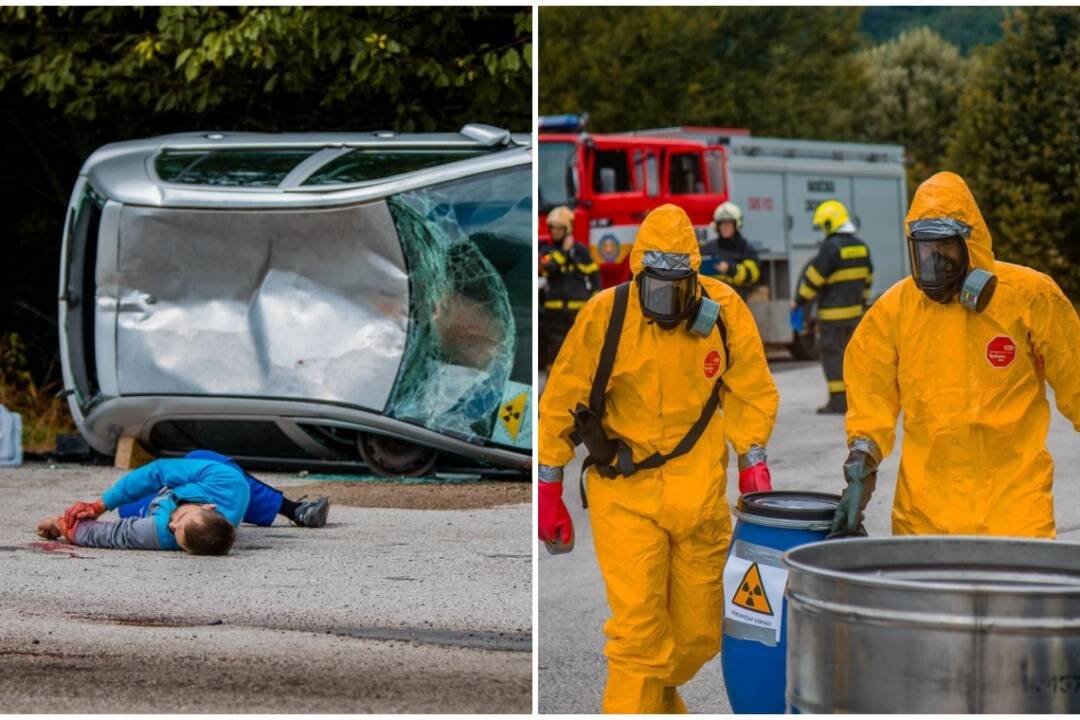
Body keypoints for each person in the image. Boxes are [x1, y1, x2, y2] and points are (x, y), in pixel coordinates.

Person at [538, 204, 779, 713]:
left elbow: (750, 388)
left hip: (701, 497)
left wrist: (752, 457)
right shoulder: (607, 316)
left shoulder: (723, 311)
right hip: (626, 495)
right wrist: (548, 488)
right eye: (658, 288)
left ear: (695, 277)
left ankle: (658, 700)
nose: (669, 302)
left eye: (679, 288)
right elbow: (560, 400)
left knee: (698, 639)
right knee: (639, 638)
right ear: (639, 275)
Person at [831, 171, 1080, 538]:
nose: (934, 262)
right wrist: (861, 465)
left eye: (945, 249)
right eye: (925, 251)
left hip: (1014, 516)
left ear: (971, 246)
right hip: (924, 519)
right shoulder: (894, 312)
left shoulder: (1029, 298)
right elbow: (871, 397)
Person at [36, 450, 330, 554]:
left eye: (176, 530)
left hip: (163, 500)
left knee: (128, 508)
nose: (173, 522)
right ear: (210, 508)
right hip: (214, 483)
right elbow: (158, 470)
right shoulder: (228, 486)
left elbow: (107, 535)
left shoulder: (165, 533)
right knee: (205, 460)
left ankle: (297, 512)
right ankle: (295, 510)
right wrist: (100, 505)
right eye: (181, 522)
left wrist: (63, 525)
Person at [791, 199, 873, 415]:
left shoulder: (830, 248)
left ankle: (838, 402)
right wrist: (861, 304)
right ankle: (855, 399)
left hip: (832, 317)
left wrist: (798, 301)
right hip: (854, 316)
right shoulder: (861, 247)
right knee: (852, 357)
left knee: (832, 355)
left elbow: (813, 279)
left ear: (829, 223)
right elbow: (868, 280)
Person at [540, 205, 598, 370]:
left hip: (578, 310)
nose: (556, 231)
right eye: (553, 228)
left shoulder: (580, 251)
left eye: (560, 228)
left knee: (581, 349)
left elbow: (594, 275)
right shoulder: (545, 250)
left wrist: (595, 298)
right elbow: (550, 267)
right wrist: (565, 250)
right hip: (554, 312)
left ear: (568, 228)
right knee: (556, 350)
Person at [701, 201, 761, 300]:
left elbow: (753, 275)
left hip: (736, 303)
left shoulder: (745, 248)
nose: (725, 227)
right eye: (722, 224)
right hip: (711, 302)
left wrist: (730, 269)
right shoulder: (708, 248)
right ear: (717, 226)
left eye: (728, 223)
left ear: (736, 225)